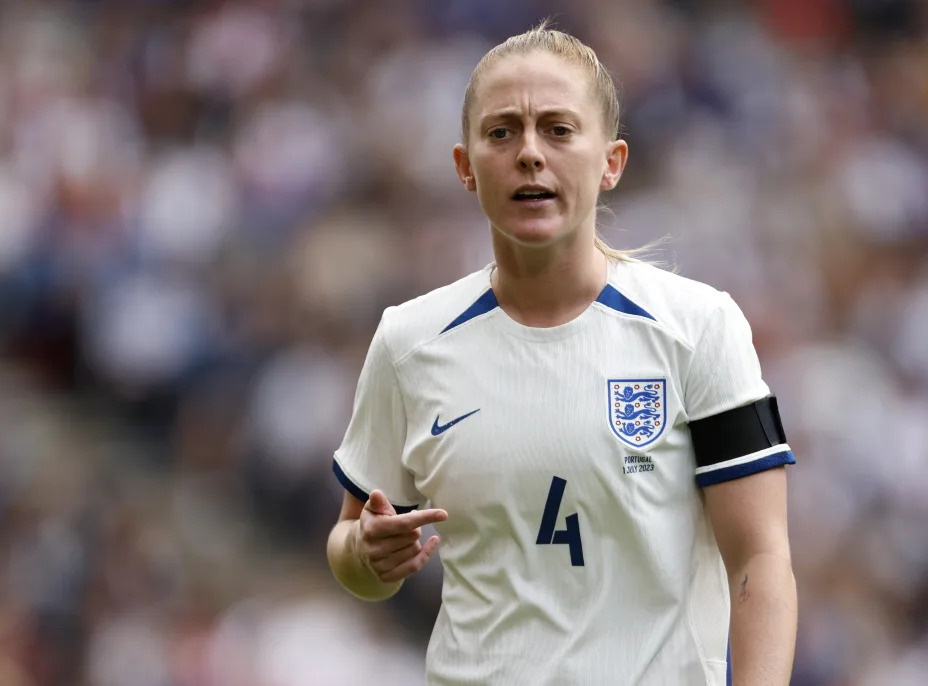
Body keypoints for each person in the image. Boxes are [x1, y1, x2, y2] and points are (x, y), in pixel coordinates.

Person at [326, 21, 797, 686]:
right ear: (465, 166)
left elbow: (760, 560)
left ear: (611, 161)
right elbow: (353, 554)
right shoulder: (409, 341)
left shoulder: (698, 328)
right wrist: (367, 554)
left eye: (558, 129)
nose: (528, 154)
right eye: (501, 132)